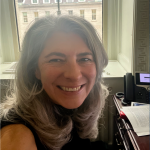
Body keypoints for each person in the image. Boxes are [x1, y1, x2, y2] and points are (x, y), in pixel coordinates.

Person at [0, 15, 109, 150]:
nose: (74, 75)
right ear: (35, 69)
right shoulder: (18, 137)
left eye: (85, 59)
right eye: (56, 60)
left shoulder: (73, 106)